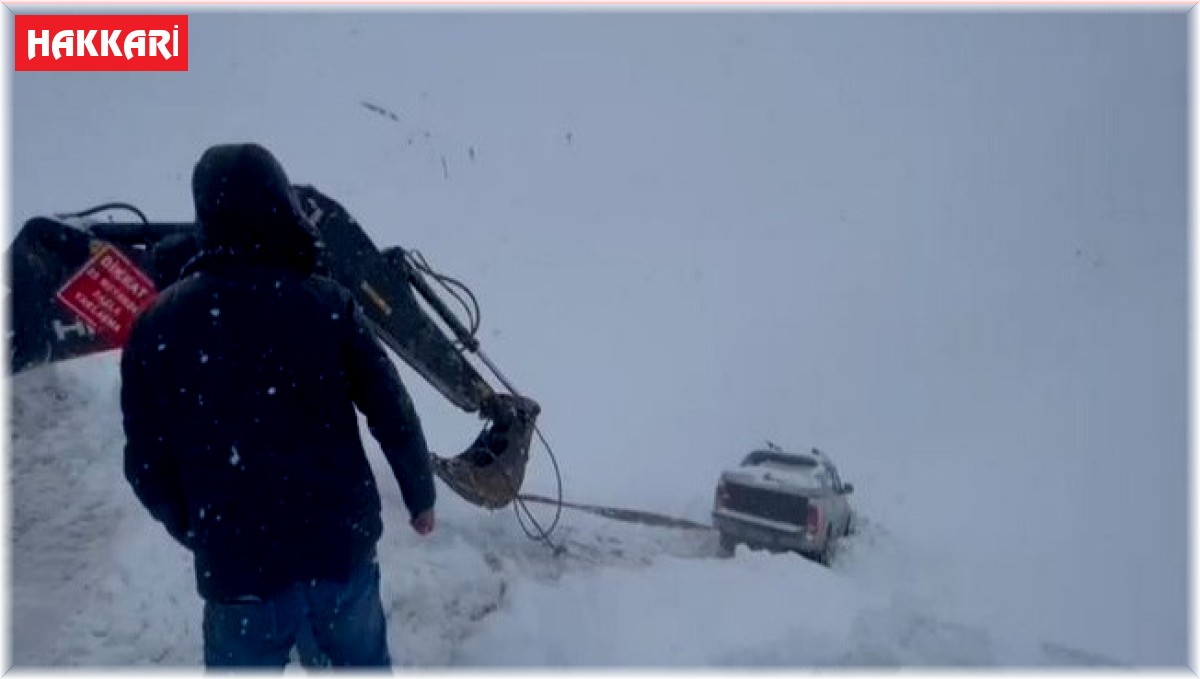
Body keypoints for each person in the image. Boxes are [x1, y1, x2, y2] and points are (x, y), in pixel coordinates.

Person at [120, 143, 436, 668]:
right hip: (340, 557)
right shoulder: (329, 305)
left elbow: (146, 466)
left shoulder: (156, 328)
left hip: (240, 575)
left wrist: (204, 531)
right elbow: (392, 412)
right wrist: (419, 494)